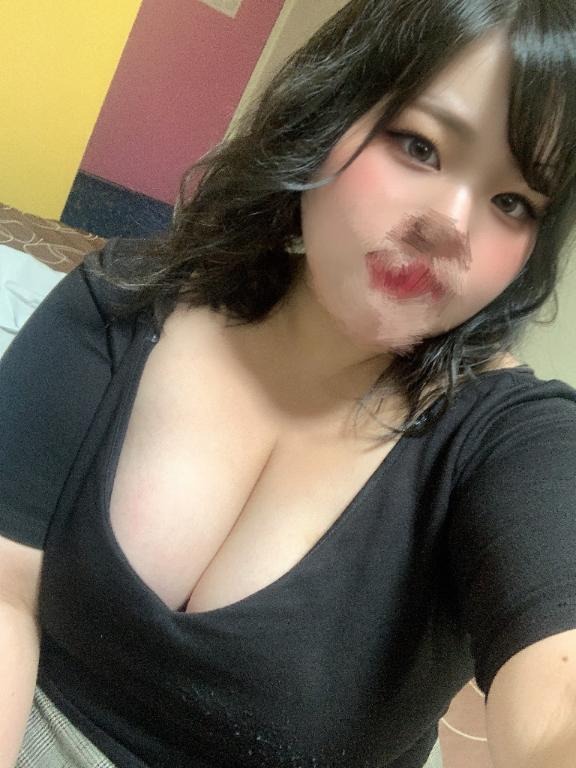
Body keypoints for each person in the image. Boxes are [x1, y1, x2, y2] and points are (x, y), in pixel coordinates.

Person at [1, 1, 576, 767]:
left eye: (513, 202)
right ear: (329, 111)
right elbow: (6, 588)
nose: (452, 224)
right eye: (419, 145)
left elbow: (556, 703)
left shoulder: (511, 441)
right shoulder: (125, 302)